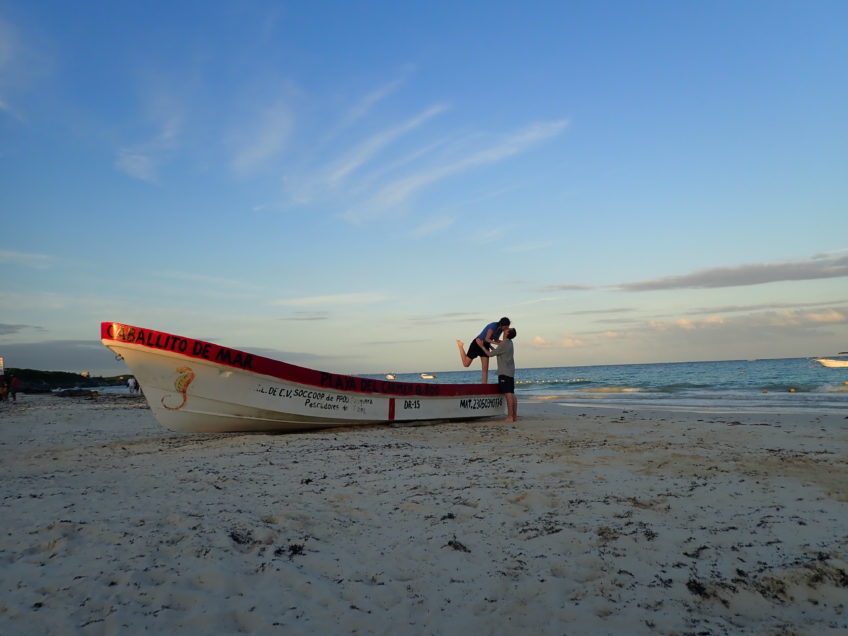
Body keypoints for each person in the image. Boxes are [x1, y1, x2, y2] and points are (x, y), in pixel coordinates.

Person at [456, 317, 511, 383]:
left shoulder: (500, 330)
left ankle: (484, 385)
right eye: (506, 327)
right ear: (502, 325)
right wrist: (498, 343)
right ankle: (460, 346)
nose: (506, 329)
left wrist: (504, 343)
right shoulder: (493, 326)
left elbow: (496, 339)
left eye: (507, 327)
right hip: (477, 343)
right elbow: (487, 339)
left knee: (485, 368)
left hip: (485, 345)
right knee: (466, 364)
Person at [484, 327, 518, 422]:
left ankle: (510, 417)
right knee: (511, 394)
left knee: (508, 395)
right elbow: (498, 352)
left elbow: (490, 355)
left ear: (507, 333)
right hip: (510, 372)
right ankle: (514, 416)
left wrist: (481, 346)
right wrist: (490, 346)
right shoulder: (509, 343)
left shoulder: (503, 344)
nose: (505, 329)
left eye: (507, 329)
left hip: (504, 372)